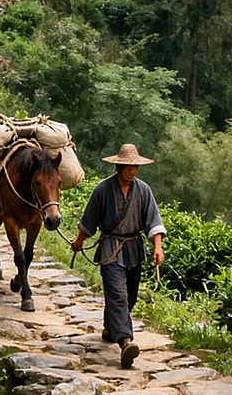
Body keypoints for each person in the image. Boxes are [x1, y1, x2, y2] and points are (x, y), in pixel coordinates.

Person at [70, 143, 165, 369]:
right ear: (118, 166)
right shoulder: (102, 190)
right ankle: (125, 342)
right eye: (127, 167)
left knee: (129, 296)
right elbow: (89, 220)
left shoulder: (143, 190)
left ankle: (110, 327)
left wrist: (157, 247)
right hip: (110, 248)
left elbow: (153, 221)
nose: (131, 171)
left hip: (133, 248)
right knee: (118, 294)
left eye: (134, 167)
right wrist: (78, 242)